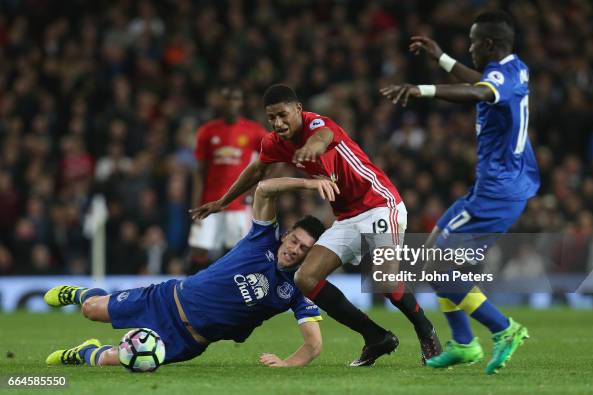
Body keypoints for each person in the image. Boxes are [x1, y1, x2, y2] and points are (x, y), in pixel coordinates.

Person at [191, 84, 441, 366]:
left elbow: (324, 137)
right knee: (305, 278)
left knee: (383, 278)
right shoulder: (275, 142)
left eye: (283, 115)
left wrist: (310, 148)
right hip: (347, 217)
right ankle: (376, 337)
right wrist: (223, 201)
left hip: (380, 203)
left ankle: (426, 331)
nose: (278, 123)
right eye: (271, 117)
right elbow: (257, 171)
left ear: (298, 109)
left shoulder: (317, 124)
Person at [381, 10, 539, 374]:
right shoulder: (516, 68)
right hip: (496, 185)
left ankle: (505, 329)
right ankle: (465, 343)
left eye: (471, 42)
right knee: (433, 254)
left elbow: (477, 91)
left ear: (488, 44)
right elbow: (485, 83)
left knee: (439, 265)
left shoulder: (499, 76)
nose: (468, 48)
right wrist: (442, 58)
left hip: (498, 191)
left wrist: (422, 90)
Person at [44, 177, 336, 368]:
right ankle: (81, 293)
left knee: (110, 359)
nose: (296, 249)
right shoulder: (262, 238)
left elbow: (314, 345)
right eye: (294, 240)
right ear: (286, 235)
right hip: (165, 299)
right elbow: (263, 188)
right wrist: (310, 184)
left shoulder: (298, 288)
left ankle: (82, 353)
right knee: (91, 309)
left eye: (305, 249)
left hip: (187, 340)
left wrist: (286, 364)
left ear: (310, 255)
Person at [189, 85, 268, 272]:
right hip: (209, 200)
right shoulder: (207, 131)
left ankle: (228, 295)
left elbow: (274, 159)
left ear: (241, 102)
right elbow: (200, 171)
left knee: (234, 251)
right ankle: (191, 292)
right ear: (220, 102)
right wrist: (195, 200)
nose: (231, 103)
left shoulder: (254, 131)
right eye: (227, 99)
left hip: (238, 203)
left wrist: (254, 188)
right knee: (198, 248)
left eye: (235, 99)